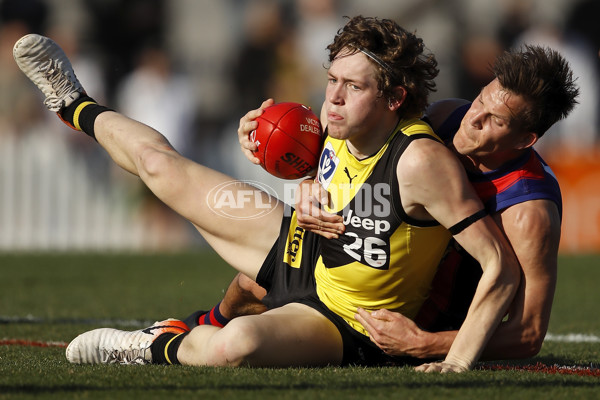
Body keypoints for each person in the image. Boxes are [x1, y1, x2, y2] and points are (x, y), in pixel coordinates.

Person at [13, 16, 520, 372]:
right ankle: (72, 103)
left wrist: (455, 362)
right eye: (331, 81)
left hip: (345, 319)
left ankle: (156, 344)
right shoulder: (333, 121)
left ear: (394, 98)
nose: (334, 97)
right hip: (299, 250)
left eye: (353, 87)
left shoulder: (420, 162)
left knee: (235, 345)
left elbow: (500, 264)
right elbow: (312, 164)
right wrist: (293, 176)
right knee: (157, 167)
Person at [201, 44, 575, 362]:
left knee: (256, 309)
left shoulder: (528, 212)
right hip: (376, 264)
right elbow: (360, 138)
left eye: (494, 119)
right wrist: (309, 181)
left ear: (525, 140)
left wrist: (425, 344)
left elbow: (527, 335)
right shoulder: (447, 116)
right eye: (480, 99)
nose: (473, 118)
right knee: (251, 281)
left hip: (417, 322)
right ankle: (195, 327)